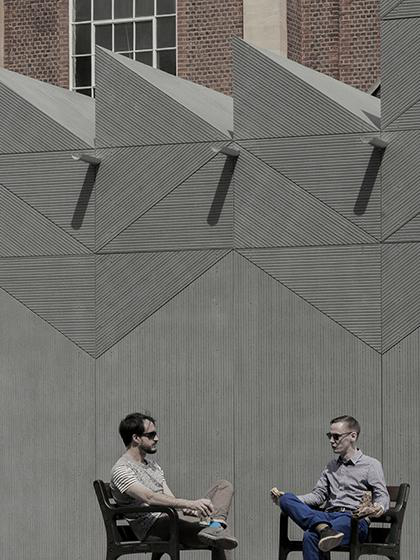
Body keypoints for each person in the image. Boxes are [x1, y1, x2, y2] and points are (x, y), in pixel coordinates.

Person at [110, 412, 238, 550]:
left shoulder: (153, 466)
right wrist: (192, 504)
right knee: (221, 536)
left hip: (171, 517)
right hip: (153, 527)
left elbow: (170, 499)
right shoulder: (122, 470)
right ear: (136, 438)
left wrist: (192, 510)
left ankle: (215, 525)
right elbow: (149, 497)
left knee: (223, 486)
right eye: (151, 435)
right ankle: (215, 527)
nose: (157, 438)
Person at [270, 415, 390, 559]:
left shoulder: (371, 465)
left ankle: (322, 529)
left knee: (310, 536)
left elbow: (382, 496)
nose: (331, 441)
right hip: (328, 516)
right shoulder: (331, 466)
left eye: (336, 436)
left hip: (353, 520)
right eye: (330, 436)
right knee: (286, 499)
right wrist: (291, 500)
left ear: (353, 436)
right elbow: (318, 496)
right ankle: (324, 529)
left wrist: (377, 508)